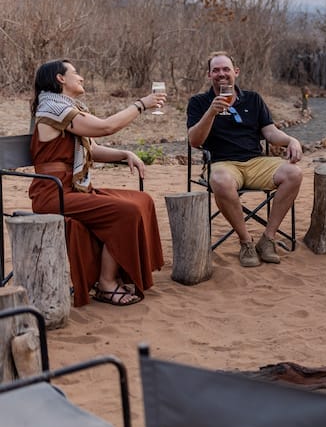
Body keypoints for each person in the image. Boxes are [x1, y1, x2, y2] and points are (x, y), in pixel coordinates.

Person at [29, 59, 166, 306]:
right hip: (53, 194)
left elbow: (92, 149)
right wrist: (141, 105)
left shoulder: (68, 108)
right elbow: (106, 128)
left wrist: (124, 154)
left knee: (142, 200)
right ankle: (106, 283)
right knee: (127, 211)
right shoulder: (52, 108)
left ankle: (119, 272)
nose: (81, 77)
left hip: (74, 189)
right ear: (60, 78)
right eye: (75, 73)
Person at [187, 51, 303, 268]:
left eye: (226, 69)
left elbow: (270, 132)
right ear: (209, 75)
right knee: (220, 180)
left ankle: (268, 239)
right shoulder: (199, 102)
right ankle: (246, 242)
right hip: (222, 163)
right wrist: (211, 113)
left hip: (256, 162)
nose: (221, 74)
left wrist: (291, 140)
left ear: (236, 72)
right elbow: (194, 141)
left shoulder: (253, 99)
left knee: (294, 173)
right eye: (216, 70)